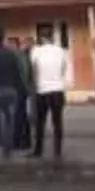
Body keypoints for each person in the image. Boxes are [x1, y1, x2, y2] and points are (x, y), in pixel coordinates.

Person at [29, 30, 68, 160]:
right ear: (52, 38)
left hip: (42, 90)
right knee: (57, 122)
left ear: (41, 38)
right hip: (57, 89)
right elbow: (64, 68)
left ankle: (38, 150)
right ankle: (57, 151)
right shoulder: (61, 51)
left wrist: (35, 87)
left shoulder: (36, 51)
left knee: (40, 122)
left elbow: (34, 71)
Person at [7, 36, 33, 151]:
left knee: (19, 116)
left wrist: (25, 87)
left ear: (14, 45)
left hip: (19, 89)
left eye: (9, 44)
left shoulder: (18, 55)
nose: (7, 47)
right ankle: (21, 140)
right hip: (19, 88)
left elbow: (25, 71)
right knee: (20, 116)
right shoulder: (17, 55)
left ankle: (21, 141)